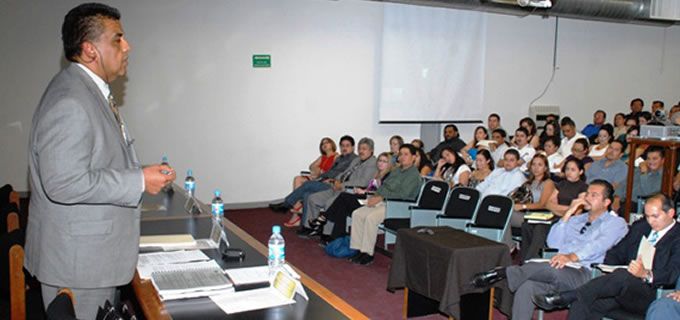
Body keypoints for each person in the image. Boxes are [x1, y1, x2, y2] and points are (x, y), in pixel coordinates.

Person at [25, 4, 177, 318]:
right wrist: (138, 180)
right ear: (90, 50)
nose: (127, 46)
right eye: (118, 39)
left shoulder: (86, 91)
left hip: (90, 260)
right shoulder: (71, 100)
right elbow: (64, 182)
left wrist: (140, 172)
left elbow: (94, 162)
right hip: (77, 267)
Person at [472, 180, 628, 320]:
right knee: (527, 287)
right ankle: (506, 278)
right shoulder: (576, 219)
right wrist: (567, 214)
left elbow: (599, 245)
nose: (587, 197)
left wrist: (571, 257)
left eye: (593, 195)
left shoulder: (616, 223)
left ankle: (502, 273)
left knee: (551, 269)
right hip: (559, 266)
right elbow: (553, 242)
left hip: (585, 273)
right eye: (587, 193)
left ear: (606, 202)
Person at [533, 193, 680, 320]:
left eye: (655, 216)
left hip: (652, 292)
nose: (650, 221)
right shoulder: (641, 227)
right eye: (647, 216)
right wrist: (610, 267)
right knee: (588, 300)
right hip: (622, 287)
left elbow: (673, 273)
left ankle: (569, 295)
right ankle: (575, 295)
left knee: (619, 277)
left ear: (671, 213)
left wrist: (645, 274)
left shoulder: (677, 236)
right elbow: (616, 252)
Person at [348, 144, 422, 265]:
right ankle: (358, 249)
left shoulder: (414, 175)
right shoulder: (396, 170)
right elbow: (384, 186)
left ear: (414, 157)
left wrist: (381, 198)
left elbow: (403, 194)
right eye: (401, 154)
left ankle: (368, 254)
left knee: (370, 218)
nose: (402, 157)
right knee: (357, 214)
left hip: (397, 206)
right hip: (382, 201)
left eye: (406, 154)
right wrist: (375, 196)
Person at [294, 138, 377, 230]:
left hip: (349, 192)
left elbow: (363, 181)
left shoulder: (372, 163)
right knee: (312, 198)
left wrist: (343, 184)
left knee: (330, 202)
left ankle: (327, 234)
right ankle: (309, 228)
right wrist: (336, 180)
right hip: (337, 187)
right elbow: (345, 172)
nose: (361, 151)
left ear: (371, 150)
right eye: (360, 148)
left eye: (364, 149)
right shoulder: (357, 160)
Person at [309, 152, 394, 241]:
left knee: (343, 197)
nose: (381, 163)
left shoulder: (388, 176)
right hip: (366, 199)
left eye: (384, 161)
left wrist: (365, 192)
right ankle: (336, 237)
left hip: (374, 204)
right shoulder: (377, 174)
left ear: (389, 164)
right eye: (380, 160)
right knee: (342, 207)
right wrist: (363, 191)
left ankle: (323, 219)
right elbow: (372, 190)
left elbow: (380, 193)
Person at [269, 135, 357, 213]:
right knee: (307, 194)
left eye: (347, 146)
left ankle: (287, 204)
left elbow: (346, 175)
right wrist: (319, 177)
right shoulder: (339, 158)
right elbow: (324, 170)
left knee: (307, 185)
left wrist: (332, 180)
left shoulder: (354, 160)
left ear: (353, 147)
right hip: (324, 180)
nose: (344, 148)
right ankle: (306, 226)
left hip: (332, 184)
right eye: (342, 146)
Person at [284, 137, 337, 225]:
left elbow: (334, 171)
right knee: (298, 178)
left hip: (326, 181)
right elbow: (311, 166)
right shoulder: (322, 157)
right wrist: (318, 170)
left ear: (332, 144)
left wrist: (320, 172)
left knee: (306, 185)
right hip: (318, 178)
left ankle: (295, 214)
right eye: (322, 144)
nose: (324, 145)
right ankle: (297, 206)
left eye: (327, 142)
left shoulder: (336, 156)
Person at [513, 154, 556, 259]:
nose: (536, 168)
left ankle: (510, 247)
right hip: (524, 212)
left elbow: (543, 204)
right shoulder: (527, 183)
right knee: (503, 213)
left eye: (540, 165)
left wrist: (522, 206)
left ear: (545, 168)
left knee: (506, 216)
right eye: (534, 164)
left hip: (539, 214)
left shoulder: (548, 183)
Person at [615, 145, 665, 212]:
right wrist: (617, 198)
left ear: (663, 160)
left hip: (640, 205)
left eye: (654, 159)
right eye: (648, 158)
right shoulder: (639, 170)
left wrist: (644, 173)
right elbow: (623, 184)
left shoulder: (664, 176)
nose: (650, 162)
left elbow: (648, 191)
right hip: (623, 200)